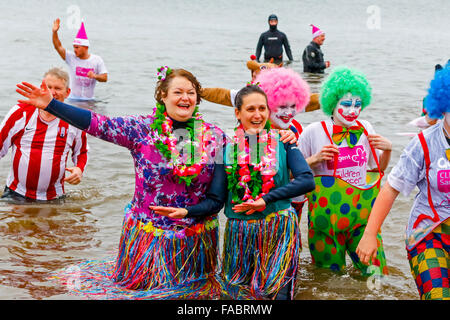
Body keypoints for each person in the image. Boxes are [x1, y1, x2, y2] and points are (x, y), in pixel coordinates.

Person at [16, 67, 227, 299]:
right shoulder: (142, 130)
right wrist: (51, 105)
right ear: (163, 96)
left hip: (195, 245)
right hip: (148, 241)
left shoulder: (215, 136)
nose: (185, 97)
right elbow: (99, 124)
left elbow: (219, 196)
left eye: (191, 92)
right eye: (178, 92)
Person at [356, 63, 450, 300]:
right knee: (439, 296)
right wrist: (369, 235)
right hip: (429, 234)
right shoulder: (424, 143)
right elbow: (391, 189)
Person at [221, 85, 315, 300]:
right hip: (240, 233)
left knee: (278, 293)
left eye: (262, 109)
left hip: (278, 228)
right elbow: (216, 197)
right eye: (250, 109)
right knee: (235, 294)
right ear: (238, 113)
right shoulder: (225, 148)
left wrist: (266, 199)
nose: (257, 115)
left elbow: (306, 180)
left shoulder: (284, 141)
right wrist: (186, 212)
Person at [298, 66, 392, 276]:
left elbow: (378, 171)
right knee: (327, 280)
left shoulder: (366, 128)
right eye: (346, 104)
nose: (353, 111)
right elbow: (293, 174)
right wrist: (315, 159)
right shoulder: (314, 131)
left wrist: (387, 150)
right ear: (332, 103)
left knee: (376, 275)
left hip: (361, 218)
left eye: (358, 104)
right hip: (325, 221)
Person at [0, 67, 88, 202]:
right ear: (42, 89)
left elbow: (82, 152)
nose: (52, 93)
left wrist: (79, 170)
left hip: (54, 198)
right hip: (16, 193)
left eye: (57, 88)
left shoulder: (74, 120)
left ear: (68, 92)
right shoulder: (20, 112)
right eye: (48, 87)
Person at [52, 18, 108, 101]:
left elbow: (105, 78)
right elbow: (58, 47)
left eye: (77, 47)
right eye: (74, 47)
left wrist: (95, 76)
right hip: (72, 99)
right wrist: (55, 32)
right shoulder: (71, 57)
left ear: (85, 47)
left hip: (89, 101)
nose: (75, 50)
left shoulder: (97, 60)